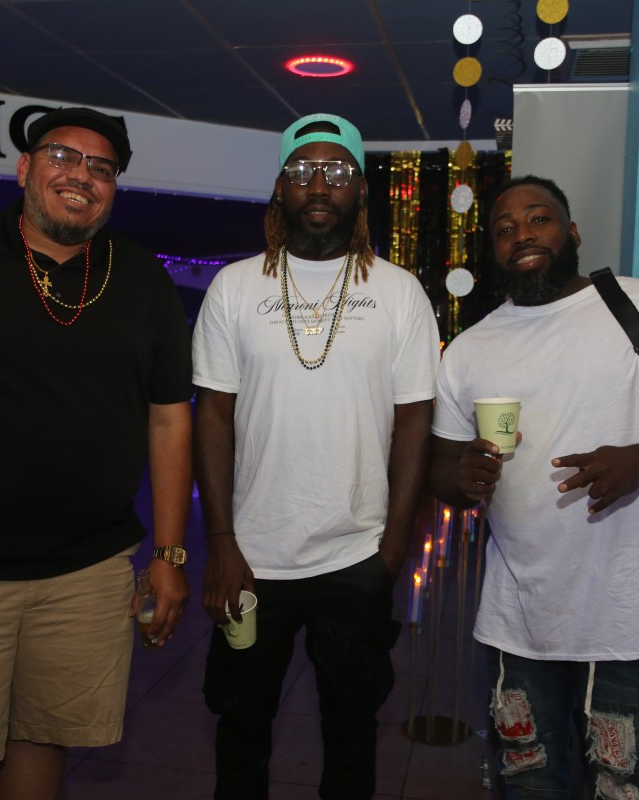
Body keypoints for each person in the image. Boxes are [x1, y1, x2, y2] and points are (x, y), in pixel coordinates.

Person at [0, 107, 193, 799]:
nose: (82, 175)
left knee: (43, 742)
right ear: (25, 169)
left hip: (87, 575)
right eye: (63, 156)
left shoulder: (140, 277)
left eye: (102, 167)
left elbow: (168, 420)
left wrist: (168, 553)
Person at [429, 175, 639, 798]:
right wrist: (461, 477)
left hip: (627, 617)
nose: (522, 236)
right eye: (504, 230)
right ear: (493, 251)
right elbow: (441, 470)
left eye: (539, 220)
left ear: (572, 231)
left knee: (625, 788)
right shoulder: (469, 351)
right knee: (527, 785)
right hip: (516, 622)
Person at [192, 112, 440, 799]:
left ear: (362, 189)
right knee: (240, 724)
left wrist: (391, 552)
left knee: (351, 729)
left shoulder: (398, 292)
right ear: (280, 188)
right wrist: (219, 542)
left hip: (355, 558)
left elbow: (416, 421)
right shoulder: (235, 288)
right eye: (304, 171)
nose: (320, 183)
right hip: (251, 558)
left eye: (337, 171)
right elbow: (211, 413)